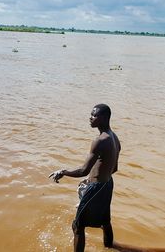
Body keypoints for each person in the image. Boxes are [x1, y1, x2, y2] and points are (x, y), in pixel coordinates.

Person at [49, 104, 121, 252]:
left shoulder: (100, 140)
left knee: (78, 225)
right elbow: (114, 168)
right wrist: (98, 177)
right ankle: (109, 247)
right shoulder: (114, 137)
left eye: (94, 115)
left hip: (97, 187)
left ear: (104, 118)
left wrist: (63, 172)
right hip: (107, 184)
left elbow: (83, 170)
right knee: (105, 221)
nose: (90, 118)